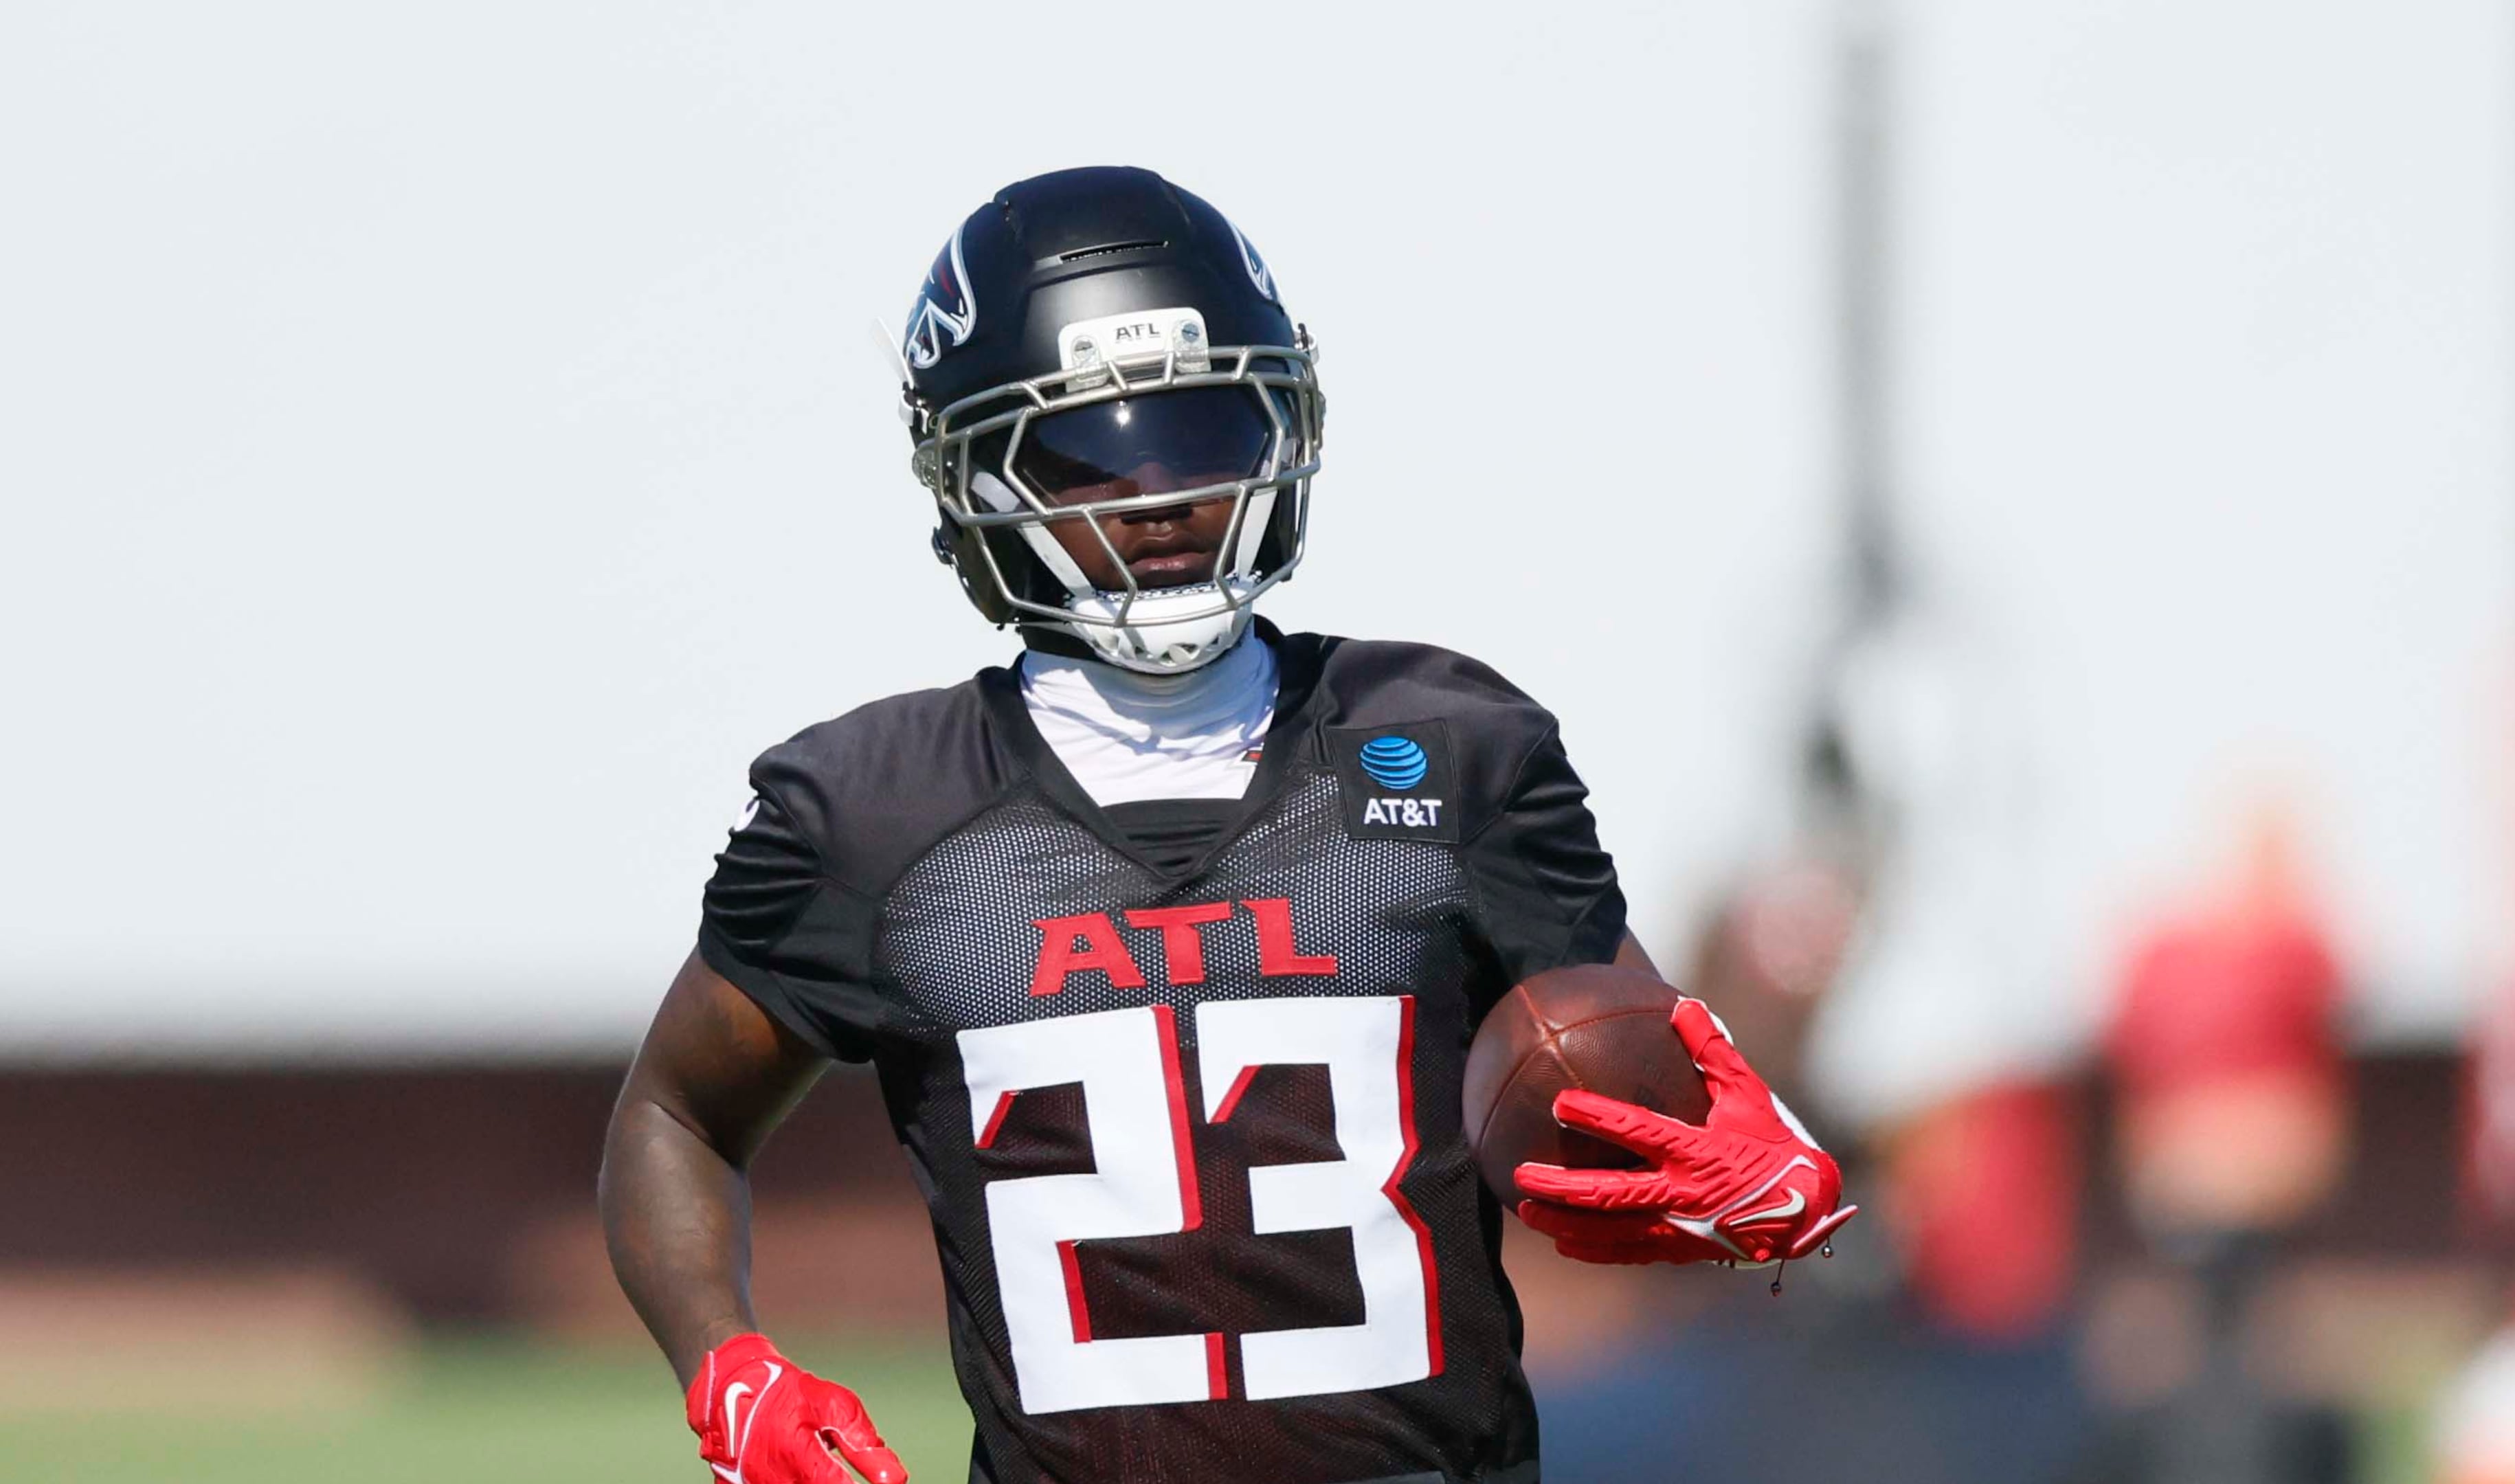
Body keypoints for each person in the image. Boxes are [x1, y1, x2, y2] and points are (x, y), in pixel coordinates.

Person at [598, 166, 1848, 1484]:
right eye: (1088, 450)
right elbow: (675, 1114)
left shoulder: (1449, 741)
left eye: (1203, 434)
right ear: (974, 483)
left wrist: (1770, 1161)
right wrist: (724, 1362)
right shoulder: (872, 813)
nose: (1160, 491)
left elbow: (1650, 1075)